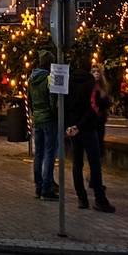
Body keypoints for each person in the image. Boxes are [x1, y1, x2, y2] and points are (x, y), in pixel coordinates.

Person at [65, 64, 114, 213]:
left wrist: (70, 126)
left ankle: (82, 198)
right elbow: (93, 108)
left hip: (73, 129)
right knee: (94, 164)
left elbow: (62, 106)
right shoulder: (91, 84)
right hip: (87, 128)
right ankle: (100, 199)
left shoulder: (68, 83)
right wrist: (80, 126)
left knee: (77, 163)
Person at [28, 51, 58, 200]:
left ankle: (38, 186)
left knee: (38, 153)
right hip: (48, 119)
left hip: (37, 119)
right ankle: (47, 188)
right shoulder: (48, 78)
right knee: (49, 153)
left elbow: (29, 100)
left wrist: (35, 113)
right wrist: (55, 114)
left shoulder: (31, 78)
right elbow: (53, 100)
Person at [92, 64, 110, 159]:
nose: (96, 74)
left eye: (98, 71)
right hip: (91, 119)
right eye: (94, 71)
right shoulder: (89, 86)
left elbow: (107, 103)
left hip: (100, 118)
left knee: (99, 142)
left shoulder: (103, 87)